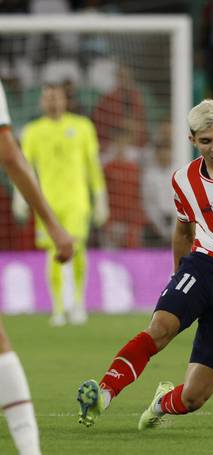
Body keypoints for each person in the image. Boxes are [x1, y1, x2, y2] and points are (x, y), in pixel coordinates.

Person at [76, 99, 213, 431]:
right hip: (202, 268)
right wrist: (177, 277)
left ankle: (160, 403)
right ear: (192, 141)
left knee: (193, 398)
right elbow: (183, 230)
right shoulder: (183, 181)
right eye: (205, 141)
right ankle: (103, 393)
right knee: (160, 329)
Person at [0, 79, 73, 455]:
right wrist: (52, 223)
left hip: (75, 201)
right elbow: (10, 156)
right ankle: (29, 451)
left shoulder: (82, 129)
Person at [12, 83, 108, 326]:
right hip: (46, 204)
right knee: (52, 253)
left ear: (65, 100)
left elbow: (92, 165)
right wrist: (19, 198)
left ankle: (77, 303)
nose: (52, 102)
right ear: (41, 102)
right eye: (47, 98)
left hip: (77, 201)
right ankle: (57, 308)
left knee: (77, 249)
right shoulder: (33, 131)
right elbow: (24, 168)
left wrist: (101, 198)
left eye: (56, 97)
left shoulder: (82, 126)